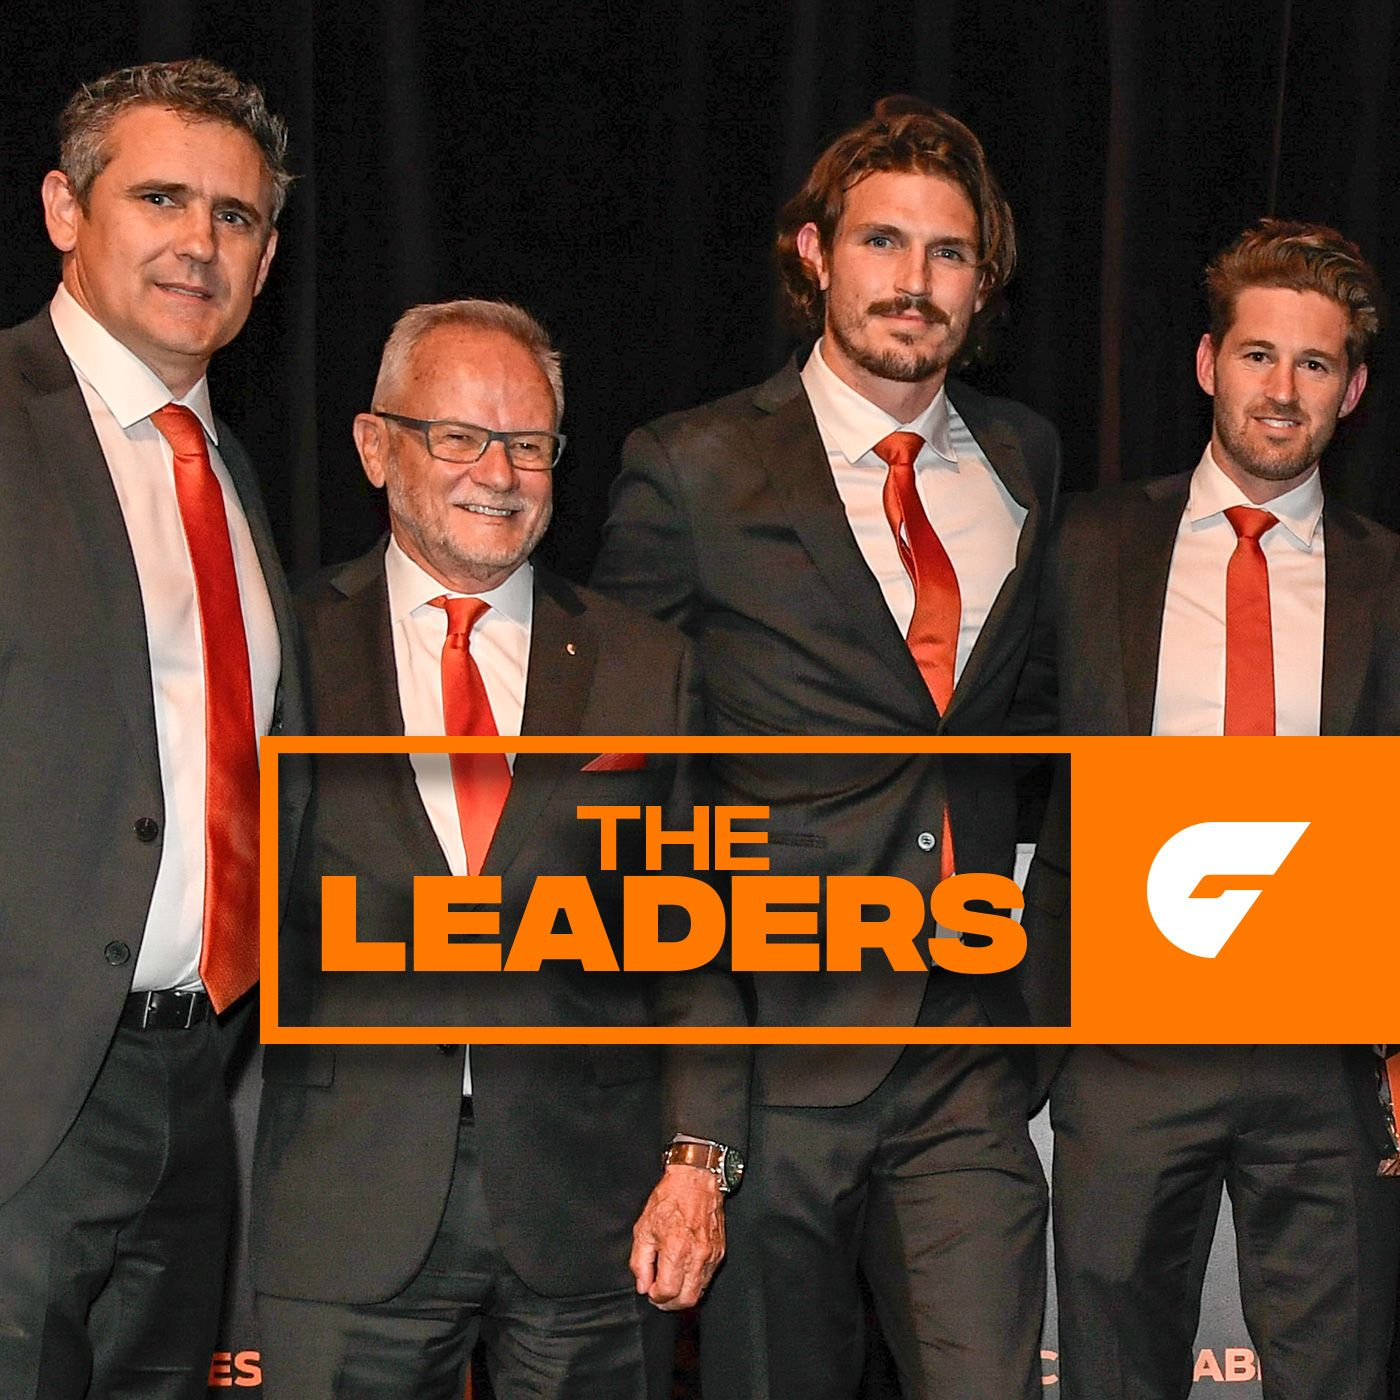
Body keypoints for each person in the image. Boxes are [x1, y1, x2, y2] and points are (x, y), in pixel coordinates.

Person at [593, 96, 1061, 1400]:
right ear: (814, 253)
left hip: (967, 1039)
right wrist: (690, 1093)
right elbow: (623, 787)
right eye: (881, 241)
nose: (914, 281)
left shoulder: (1023, 458)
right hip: (772, 1055)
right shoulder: (689, 468)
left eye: (948, 251)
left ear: (983, 279)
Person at [251, 299, 747, 1399]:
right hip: (339, 1203)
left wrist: (698, 1159)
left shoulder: (645, 666)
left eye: (527, 443)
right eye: (459, 436)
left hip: (593, 1215)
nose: (499, 472)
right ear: (375, 446)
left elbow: (700, 940)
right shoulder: (281, 644)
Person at [1040, 219, 1400, 1399]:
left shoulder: (1388, 576)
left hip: (1322, 1053)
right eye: (1256, 354)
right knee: (1108, 1374)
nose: (1279, 390)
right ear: (1207, 363)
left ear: (1349, 391)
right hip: (1122, 1040)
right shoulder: (1084, 543)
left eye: (1312, 363)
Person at [0, 59, 301, 1398]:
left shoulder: (225, 470)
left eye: (235, 215)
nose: (200, 241)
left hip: (196, 1092)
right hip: (26, 1103)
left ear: (269, 257)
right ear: (65, 209)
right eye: (161, 198)